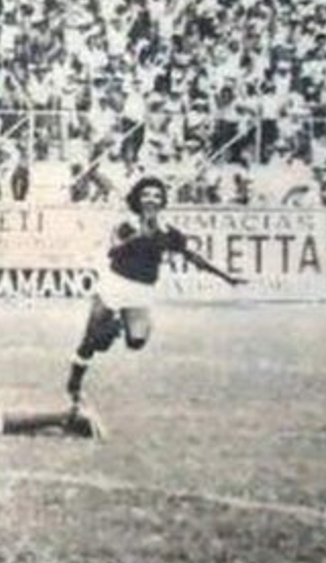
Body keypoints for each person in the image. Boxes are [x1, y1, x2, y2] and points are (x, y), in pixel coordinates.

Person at [64, 177, 245, 421]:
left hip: (141, 292)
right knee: (90, 341)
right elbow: (113, 251)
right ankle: (74, 386)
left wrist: (226, 277)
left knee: (136, 341)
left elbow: (193, 258)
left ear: (162, 202)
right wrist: (137, 235)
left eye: (157, 196)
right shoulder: (126, 224)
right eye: (147, 194)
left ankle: (115, 327)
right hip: (114, 286)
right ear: (138, 198)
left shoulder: (168, 231)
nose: (151, 199)